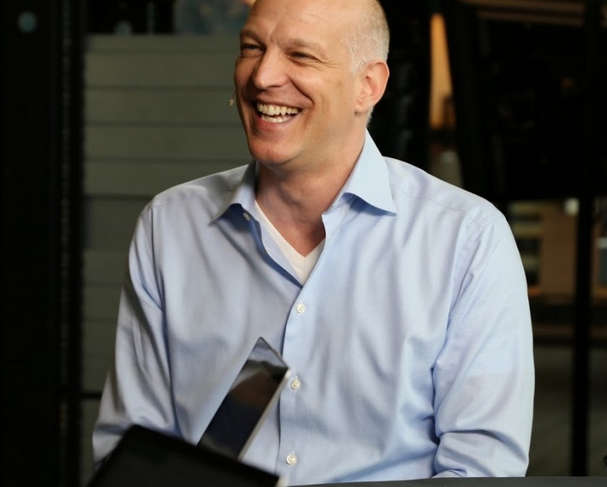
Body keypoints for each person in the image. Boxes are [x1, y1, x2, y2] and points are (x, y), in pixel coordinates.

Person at [92, 0, 535, 484]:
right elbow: (131, 452)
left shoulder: (466, 240)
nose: (262, 76)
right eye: (252, 48)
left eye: (300, 55)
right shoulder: (169, 229)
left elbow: (481, 471)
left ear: (369, 85)